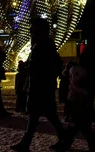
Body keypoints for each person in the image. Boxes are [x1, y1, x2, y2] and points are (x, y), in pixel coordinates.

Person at [11, 18, 66, 152]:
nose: (30, 31)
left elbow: (44, 67)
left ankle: (64, 138)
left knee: (42, 116)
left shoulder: (44, 45)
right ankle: (27, 143)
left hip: (41, 87)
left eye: (32, 29)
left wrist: (29, 68)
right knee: (40, 116)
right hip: (39, 86)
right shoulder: (41, 45)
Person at [57, 58, 95, 152]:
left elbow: (75, 85)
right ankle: (67, 144)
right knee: (78, 127)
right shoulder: (85, 72)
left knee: (79, 126)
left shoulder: (79, 72)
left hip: (78, 102)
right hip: (79, 102)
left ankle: (66, 144)